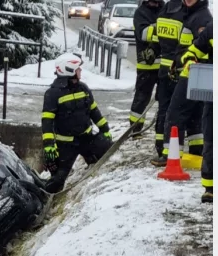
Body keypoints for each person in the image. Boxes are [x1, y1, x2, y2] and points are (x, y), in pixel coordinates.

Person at [41, 53, 113, 194]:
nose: (80, 71)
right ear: (69, 70)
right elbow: (47, 121)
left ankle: (91, 161)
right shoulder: (52, 94)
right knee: (58, 180)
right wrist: (49, 145)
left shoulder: (83, 88)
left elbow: (94, 111)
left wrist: (105, 129)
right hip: (66, 145)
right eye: (78, 68)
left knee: (107, 149)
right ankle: (45, 198)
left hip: (86, 138)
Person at [150, 0, 210, 166]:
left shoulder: (201, 18)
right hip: (191, 73)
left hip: (192, 74)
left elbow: (203, 47)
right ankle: (197, 149)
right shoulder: (191, 14)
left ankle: (170, 155)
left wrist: (188, 62)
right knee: (195, 114)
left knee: (175, 113)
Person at [180, 19, 213, 203]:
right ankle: (210, 188)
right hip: (215, 96)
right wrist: (190, 59)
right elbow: (194, 50)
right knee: (211, 140)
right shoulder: (213, 29)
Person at [128, 0, 164, 133]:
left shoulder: (165, 9)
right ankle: (135, 130)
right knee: (141, 99)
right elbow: (143, 34)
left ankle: (161, 129)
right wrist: (162, 28)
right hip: (147, 66)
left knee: (164, 100)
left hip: (165, 65)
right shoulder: (141, 13)